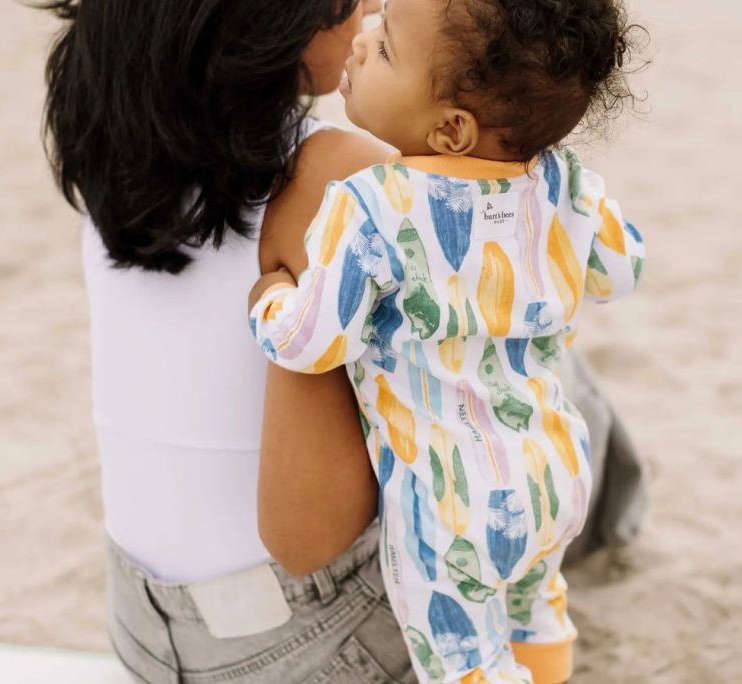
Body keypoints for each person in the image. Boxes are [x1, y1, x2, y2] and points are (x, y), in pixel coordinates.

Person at [41, 0, 646, 682]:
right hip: (288, 640)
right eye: (349, 9)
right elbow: (308, 541)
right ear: (271, 26)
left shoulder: (117, 137)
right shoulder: (339, 174)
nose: (365, 16)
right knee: (518, 353)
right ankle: (598, 544)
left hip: (139, 624)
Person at [246, 1, 643, 681]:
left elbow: (312, 344)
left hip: (449, 507)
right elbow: (622, 267)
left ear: (452, 129)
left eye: (389, 48)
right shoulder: (563, 182)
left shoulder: (371, 204)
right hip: (555, 471)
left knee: (462, 665)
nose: (364, 38)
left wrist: (271, 298)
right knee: (537, 613)